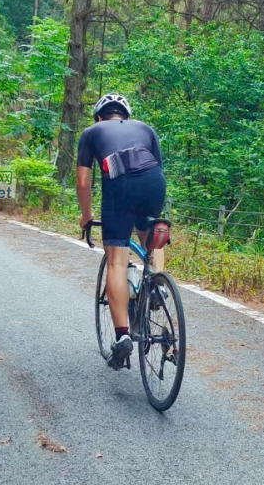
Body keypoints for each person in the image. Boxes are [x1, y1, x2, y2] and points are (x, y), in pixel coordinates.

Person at [76, 93, 166, 370]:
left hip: (119, 185)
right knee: (152, 238)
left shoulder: (91, 132)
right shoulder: (146, 129)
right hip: (154, 182)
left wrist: (86, 216)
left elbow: (82, 181)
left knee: (116, 259)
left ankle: (123, 335)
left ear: (100, 117)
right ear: (125, 116)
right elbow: (158, 167)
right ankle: (157, 286)